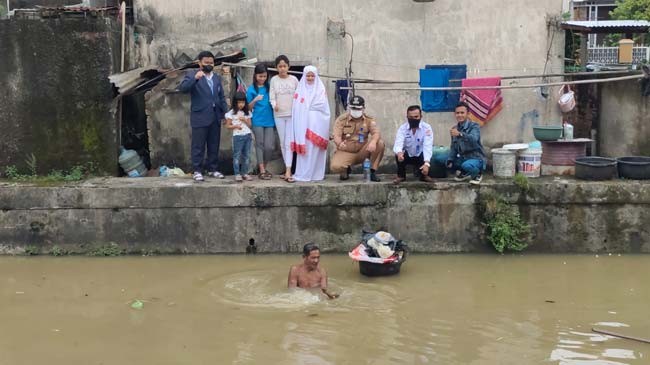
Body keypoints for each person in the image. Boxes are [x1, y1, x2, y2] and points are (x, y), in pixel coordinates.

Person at [178, 51, 228, 182]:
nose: (209, 65)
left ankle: (212, 169)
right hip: (200, 116)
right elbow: (182, 88)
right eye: (206, 63)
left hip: (215, 116)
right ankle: (197, 170)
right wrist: (196, 78)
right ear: (199, 63)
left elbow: (221, 97)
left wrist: (225, 114)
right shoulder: (193, 75)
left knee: (214, 144)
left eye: (211, 63)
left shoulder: (216, 78)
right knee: (198, 145)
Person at [291, 65, 331, 182]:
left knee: (315, 149)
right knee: (306, 150)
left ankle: (316, 174)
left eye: (312, 76)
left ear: (316, 76)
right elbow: (296, 107)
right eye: (307, 75)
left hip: (316, 124)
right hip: (303, 125)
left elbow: (323, 106)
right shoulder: (300, 89)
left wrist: (307, 107)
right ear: (304, 76)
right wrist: (306, 108)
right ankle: (303, 174)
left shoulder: (320, 89)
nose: (309, 78)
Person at [330, 95, 384, 182]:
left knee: (379, 143)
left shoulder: (369, 119)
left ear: (363, 108)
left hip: (363, 151)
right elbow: (336, 135)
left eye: (358, 108)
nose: (356, 111)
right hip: (346, 150)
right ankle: (345, 170)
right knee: (335, 167)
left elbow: (376, 133)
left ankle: (372, 171)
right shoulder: (342, 119)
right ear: (349, 108)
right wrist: (339, 144)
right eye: (353, 108)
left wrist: (373, 142)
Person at [270, 55, 300, 183]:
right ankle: (287, 169)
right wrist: (274, 104)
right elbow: (271, 96)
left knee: (289, 143)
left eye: (284, 66)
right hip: (279, 115)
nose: (282, 68)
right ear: (276, 67)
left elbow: (299, 96)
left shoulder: (294, 79)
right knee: (283, 143)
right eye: (280, 66)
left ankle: (288, 170)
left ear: (288, 66)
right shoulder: (274, 80)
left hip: (292, 115)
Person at [247, 64, 276, 180]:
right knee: (260, 144)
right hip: (257, 120)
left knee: (269, 146)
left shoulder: (270, 87)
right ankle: (262, 170)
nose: (262, 78)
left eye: (264, 76)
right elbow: (248, 108)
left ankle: (264, 167)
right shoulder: (251, 89)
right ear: (255, 76)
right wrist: (254, 100)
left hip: (270, 120)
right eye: (260, 76)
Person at [392, 105, 435, 184]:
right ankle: (401, 176)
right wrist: (399, 153)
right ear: (407, 117)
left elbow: (427, 146)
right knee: (398, 154)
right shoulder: (402, 128)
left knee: (426, 155)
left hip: (420, 155)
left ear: (421, 116)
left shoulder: (427, 128)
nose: (413, 119)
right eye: (410, 117)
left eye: (416, 117)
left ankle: (424, 176)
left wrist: (427, 163)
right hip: (407, 155)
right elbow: (398, 142)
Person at [446, 102, 486, 185]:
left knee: (466, 165)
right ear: (455, 114)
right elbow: (453, 147)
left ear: (468, 114)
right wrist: (450, 159)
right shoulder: (454, 128)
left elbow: (474, 139)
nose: (459, 115)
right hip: (463, 158)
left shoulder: (474, 126)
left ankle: (478, 174)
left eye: (462, 113)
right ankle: (465, 173)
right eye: (457, 113)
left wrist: (460, 134)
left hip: (476, 158)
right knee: (443, 160)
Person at [224, 92, 253, 182]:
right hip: (237, 137)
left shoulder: (247, 112)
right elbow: (227, 126)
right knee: (237, 156)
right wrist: (236, 126)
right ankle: (237, 174)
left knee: (246, 156)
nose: (241, 104)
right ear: (235, 103)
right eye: (239, 102)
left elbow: (250, 125)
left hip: (247, 136)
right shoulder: (231, 113)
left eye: (243, 102)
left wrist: (244, 119)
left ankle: (244, 173)